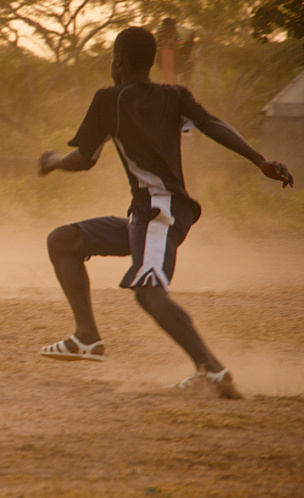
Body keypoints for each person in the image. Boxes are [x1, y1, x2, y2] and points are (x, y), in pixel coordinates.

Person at [37, 26, 294, 399]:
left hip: (160, 210)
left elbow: (84, 159)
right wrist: (259, 160)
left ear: (119, 61)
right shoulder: (175, 96)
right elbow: (212, 125)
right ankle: (87, 337)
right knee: (63, 241)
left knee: (148, 291)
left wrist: (53, 161)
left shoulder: (110, 100)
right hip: (147, 213)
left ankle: (212, 370)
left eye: (113, 58)